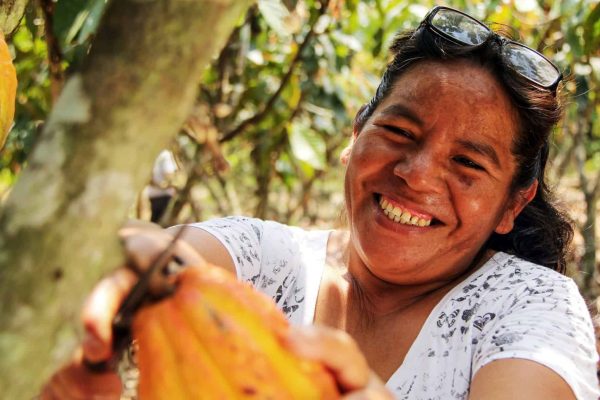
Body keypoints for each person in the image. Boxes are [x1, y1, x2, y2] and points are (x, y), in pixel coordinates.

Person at [41, 6, 599, 399]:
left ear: (512, 204)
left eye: (468, 163)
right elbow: (167, 250)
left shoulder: (530, 307)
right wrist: (116, 269)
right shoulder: (277, 260)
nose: (416, 173)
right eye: (401, 132)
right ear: (356, 136)